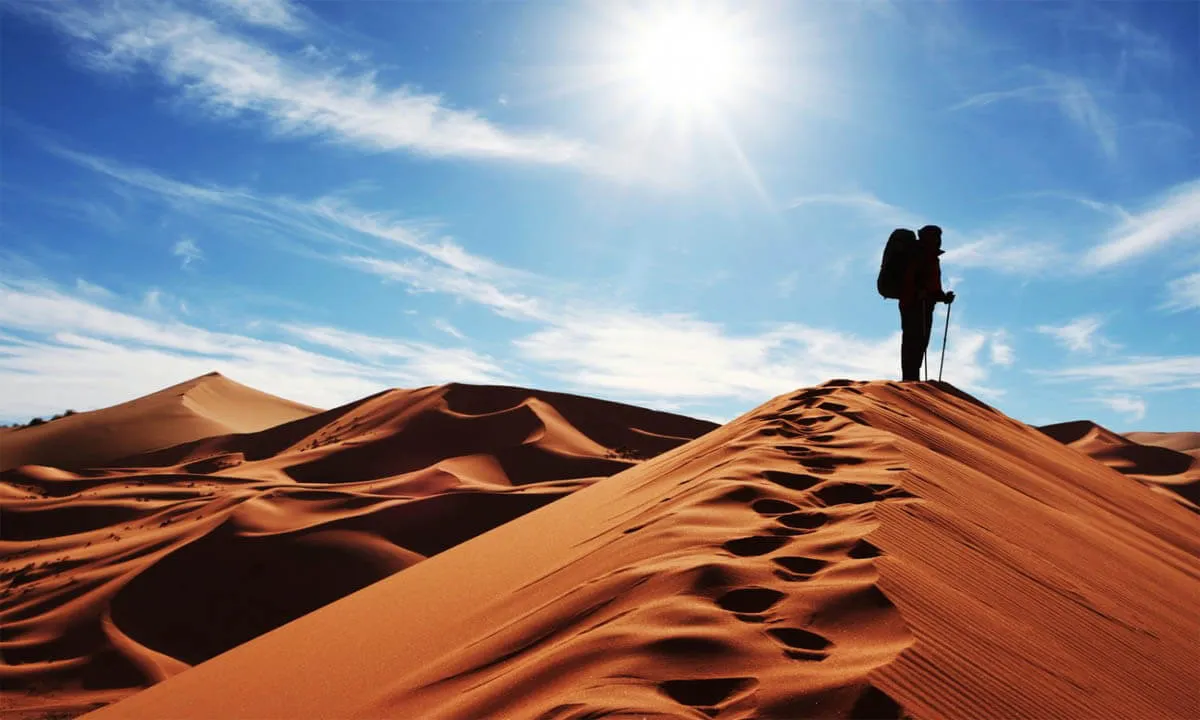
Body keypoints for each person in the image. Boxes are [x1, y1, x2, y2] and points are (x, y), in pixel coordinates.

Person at [899, 224, 955, 381]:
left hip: (924, 305)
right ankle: (909, 381)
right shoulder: (918, 255)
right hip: (914, 305)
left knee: (920, 343)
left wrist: (944, 297)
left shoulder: (931, 258)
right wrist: (919, 293)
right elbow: (909, 280)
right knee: (913, 342)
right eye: (936, 237)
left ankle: (911, 380)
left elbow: (933, 287)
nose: (939, 241)